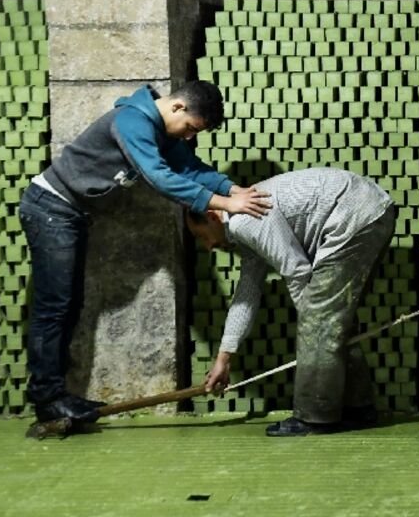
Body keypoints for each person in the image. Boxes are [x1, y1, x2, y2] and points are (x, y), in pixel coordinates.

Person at [20, 81, 271, 424]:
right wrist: (226, 203)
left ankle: (55, 395)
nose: (188, 137)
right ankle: (47, 399)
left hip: (70, 214)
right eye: (191, 129)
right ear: (178, 108)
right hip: (49, 207)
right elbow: (159, 177)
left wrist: (235, 189)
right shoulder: (131, 122)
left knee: (69, 303)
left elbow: (191, 169)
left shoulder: (165, 132)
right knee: (55, 307)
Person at [189, 167, 397, 437]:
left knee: (321, 320)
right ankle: (358, 407)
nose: (207, 246)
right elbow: (247, 294)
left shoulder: (244, 221)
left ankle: (315, 418)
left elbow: (297, 270)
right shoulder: (244, 225)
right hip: (371, 211)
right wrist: (224, 357)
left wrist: (313, 324)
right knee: (332, 321)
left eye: (201, 236)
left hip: (355, 215)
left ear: (211, 216)